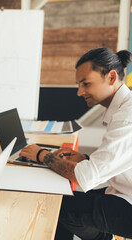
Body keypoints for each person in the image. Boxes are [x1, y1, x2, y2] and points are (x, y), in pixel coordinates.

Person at [20, 48, 132, 240]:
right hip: (123, 189)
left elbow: (85, 177)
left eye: (86, 84)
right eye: (78, 84)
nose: (80, 92)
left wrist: (41, 155)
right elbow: (120, 159)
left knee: (58, 207)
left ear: (111, 78)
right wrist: (85, 159)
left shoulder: (126, 118)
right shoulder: (124, 108)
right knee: (66, 202)